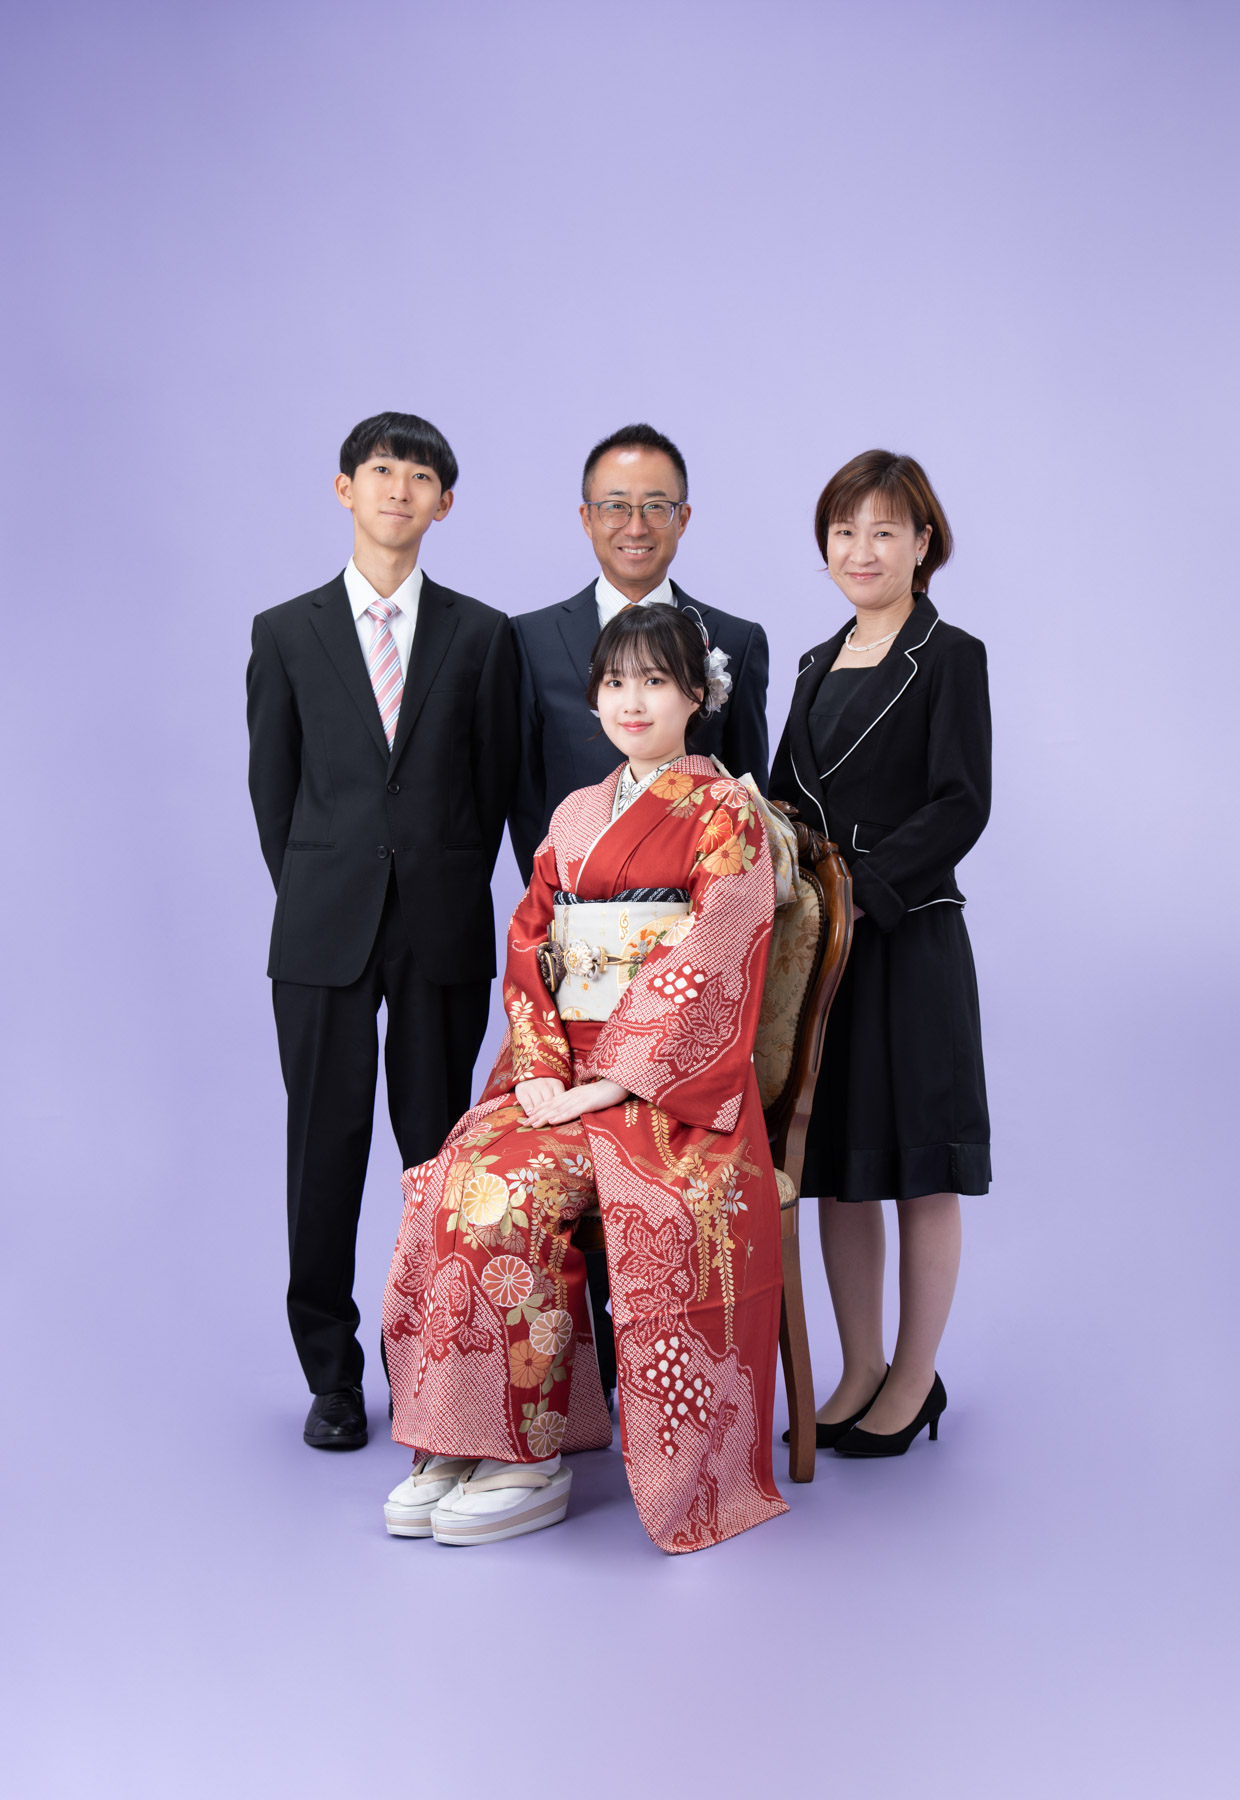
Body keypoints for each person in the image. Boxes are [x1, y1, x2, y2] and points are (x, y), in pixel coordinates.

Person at [381, 605, 788, 1552]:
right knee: (453, 1174)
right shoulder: (572, 816)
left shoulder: (728, 813)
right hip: (559, 1073)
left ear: (698, 695)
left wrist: (609, 1084)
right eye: (614, 682)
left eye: (655, 681)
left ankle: (527, 1458)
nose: (631, 701)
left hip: (671, 1094)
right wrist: (538, 1070)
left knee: (516, 1190)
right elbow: (531, 944)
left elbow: (715, 957)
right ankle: (462, 1431)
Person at [246, 411, 518, 1451]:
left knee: (438, 1153)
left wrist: (434, 885)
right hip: (323, 929)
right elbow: (274, 792)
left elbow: (493, 787)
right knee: (323, 1149)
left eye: (420, 477)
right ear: (344, 489)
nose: (399, 489)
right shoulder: (286, 631)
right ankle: (330, 1374)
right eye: (380, 470)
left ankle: (432, 1365)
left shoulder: (480, 634)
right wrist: (325, 890)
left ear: (445, 504)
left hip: (440, 924)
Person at [508, 422, 771, 1405]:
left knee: (651, 1195)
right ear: (585, 518)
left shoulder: (735, 653)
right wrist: (550, 1058)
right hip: (570, 1017)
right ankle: (514, 1424)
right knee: (467, 1180)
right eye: (614, 505)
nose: (634, 523)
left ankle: (650, 1404)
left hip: (675, 1051)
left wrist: (625, 1067)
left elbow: (743, 854)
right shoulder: (527, 643)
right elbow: (524, 842)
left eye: (654, 504)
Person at [769, 450, 991, 1457]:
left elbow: (961, 803)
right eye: (843, 531)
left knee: (919, 1167)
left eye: (884, 531)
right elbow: (782, 801)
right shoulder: (811, 665)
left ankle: (912, 1377)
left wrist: (864, 891)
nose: (861, 550)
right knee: (838, 1163)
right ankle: (857, 1367)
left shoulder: (951, 657)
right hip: (821, 951)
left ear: (923, 544)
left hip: (905, 935)